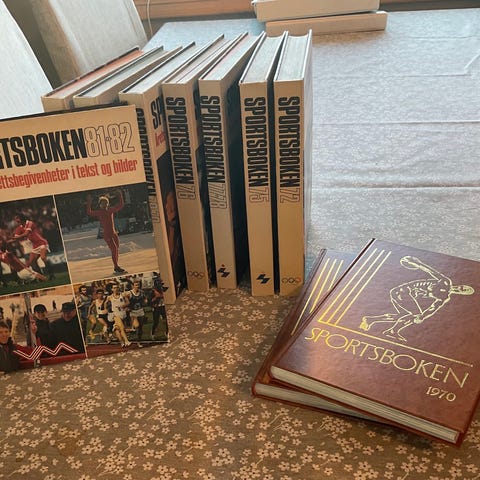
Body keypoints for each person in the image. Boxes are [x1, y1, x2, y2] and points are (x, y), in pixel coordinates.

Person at [359, 255, 475, 342]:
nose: (461, 289)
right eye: (464, 287)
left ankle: (370, 320)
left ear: (461, 293)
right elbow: (431, 271)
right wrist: (416, 263)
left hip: (405, 296)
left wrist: (422, 317)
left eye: (464, 291)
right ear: (461, 285)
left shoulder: (444, 297)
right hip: (403, 291)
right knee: (414, 314)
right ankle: (392, 331)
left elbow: (433, 308)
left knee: (402, 316)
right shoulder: (445, 281)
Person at [86, 189, 127, 274]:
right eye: (102, 204)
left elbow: (121, 205)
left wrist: (120, 195)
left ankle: (116, 266)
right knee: (114, 249)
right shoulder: (99, 212)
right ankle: (116, 266)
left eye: (106, 203)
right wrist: (89, 201)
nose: (104, 205)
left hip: (114, 233)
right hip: (107, 235)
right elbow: (89, 212)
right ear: (100, 205)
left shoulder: (110, 210)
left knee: (116, 249)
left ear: (108, 204)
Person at [9, 213, 53, 278]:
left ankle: (51, 274)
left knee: (43, 258)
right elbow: (16, 237)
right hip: (35, 245)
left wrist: (16, 237)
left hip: (41, 243)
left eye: (17, 218)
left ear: (21, 218)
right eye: (15, 219)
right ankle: (41, 277)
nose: (16, 220)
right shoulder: (20, 227)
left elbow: (26, 233)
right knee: (31, 262)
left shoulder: (29, 223)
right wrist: (8, 241)